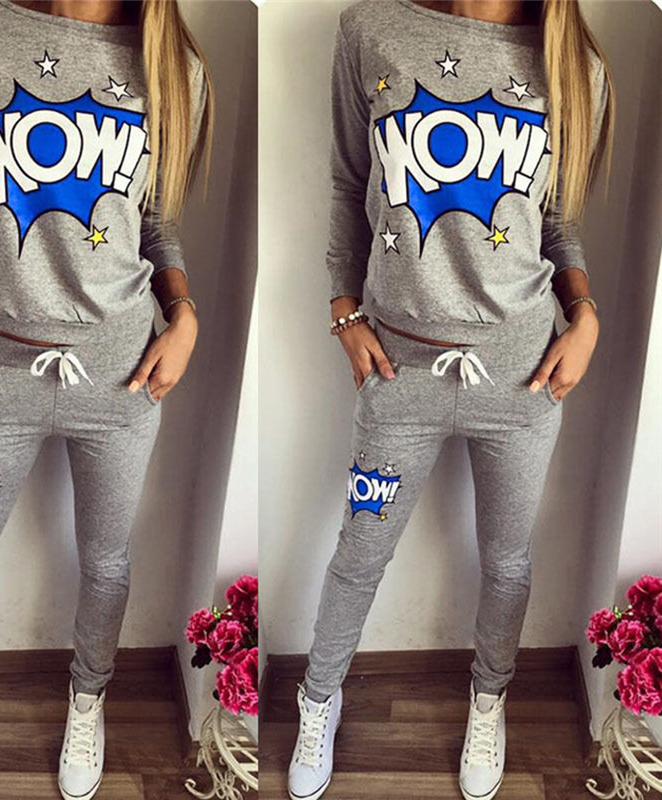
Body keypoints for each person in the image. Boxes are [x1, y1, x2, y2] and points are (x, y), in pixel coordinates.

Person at [287, 1, 613, 799]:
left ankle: (489, 699)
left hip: (526, 371)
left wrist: (586, 317)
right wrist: (343, 312)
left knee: (507, 560)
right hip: (399, 371)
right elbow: (349, 183)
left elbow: (556, 222)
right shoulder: (372, 29)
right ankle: (317, 698)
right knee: (361, 551)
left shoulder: (575, 62)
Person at [0, 2, 212, 799]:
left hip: (124, 373)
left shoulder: (175, 65)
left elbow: (155, 224)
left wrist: (185, 316)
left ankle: (88, 699)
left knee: (106, 560)